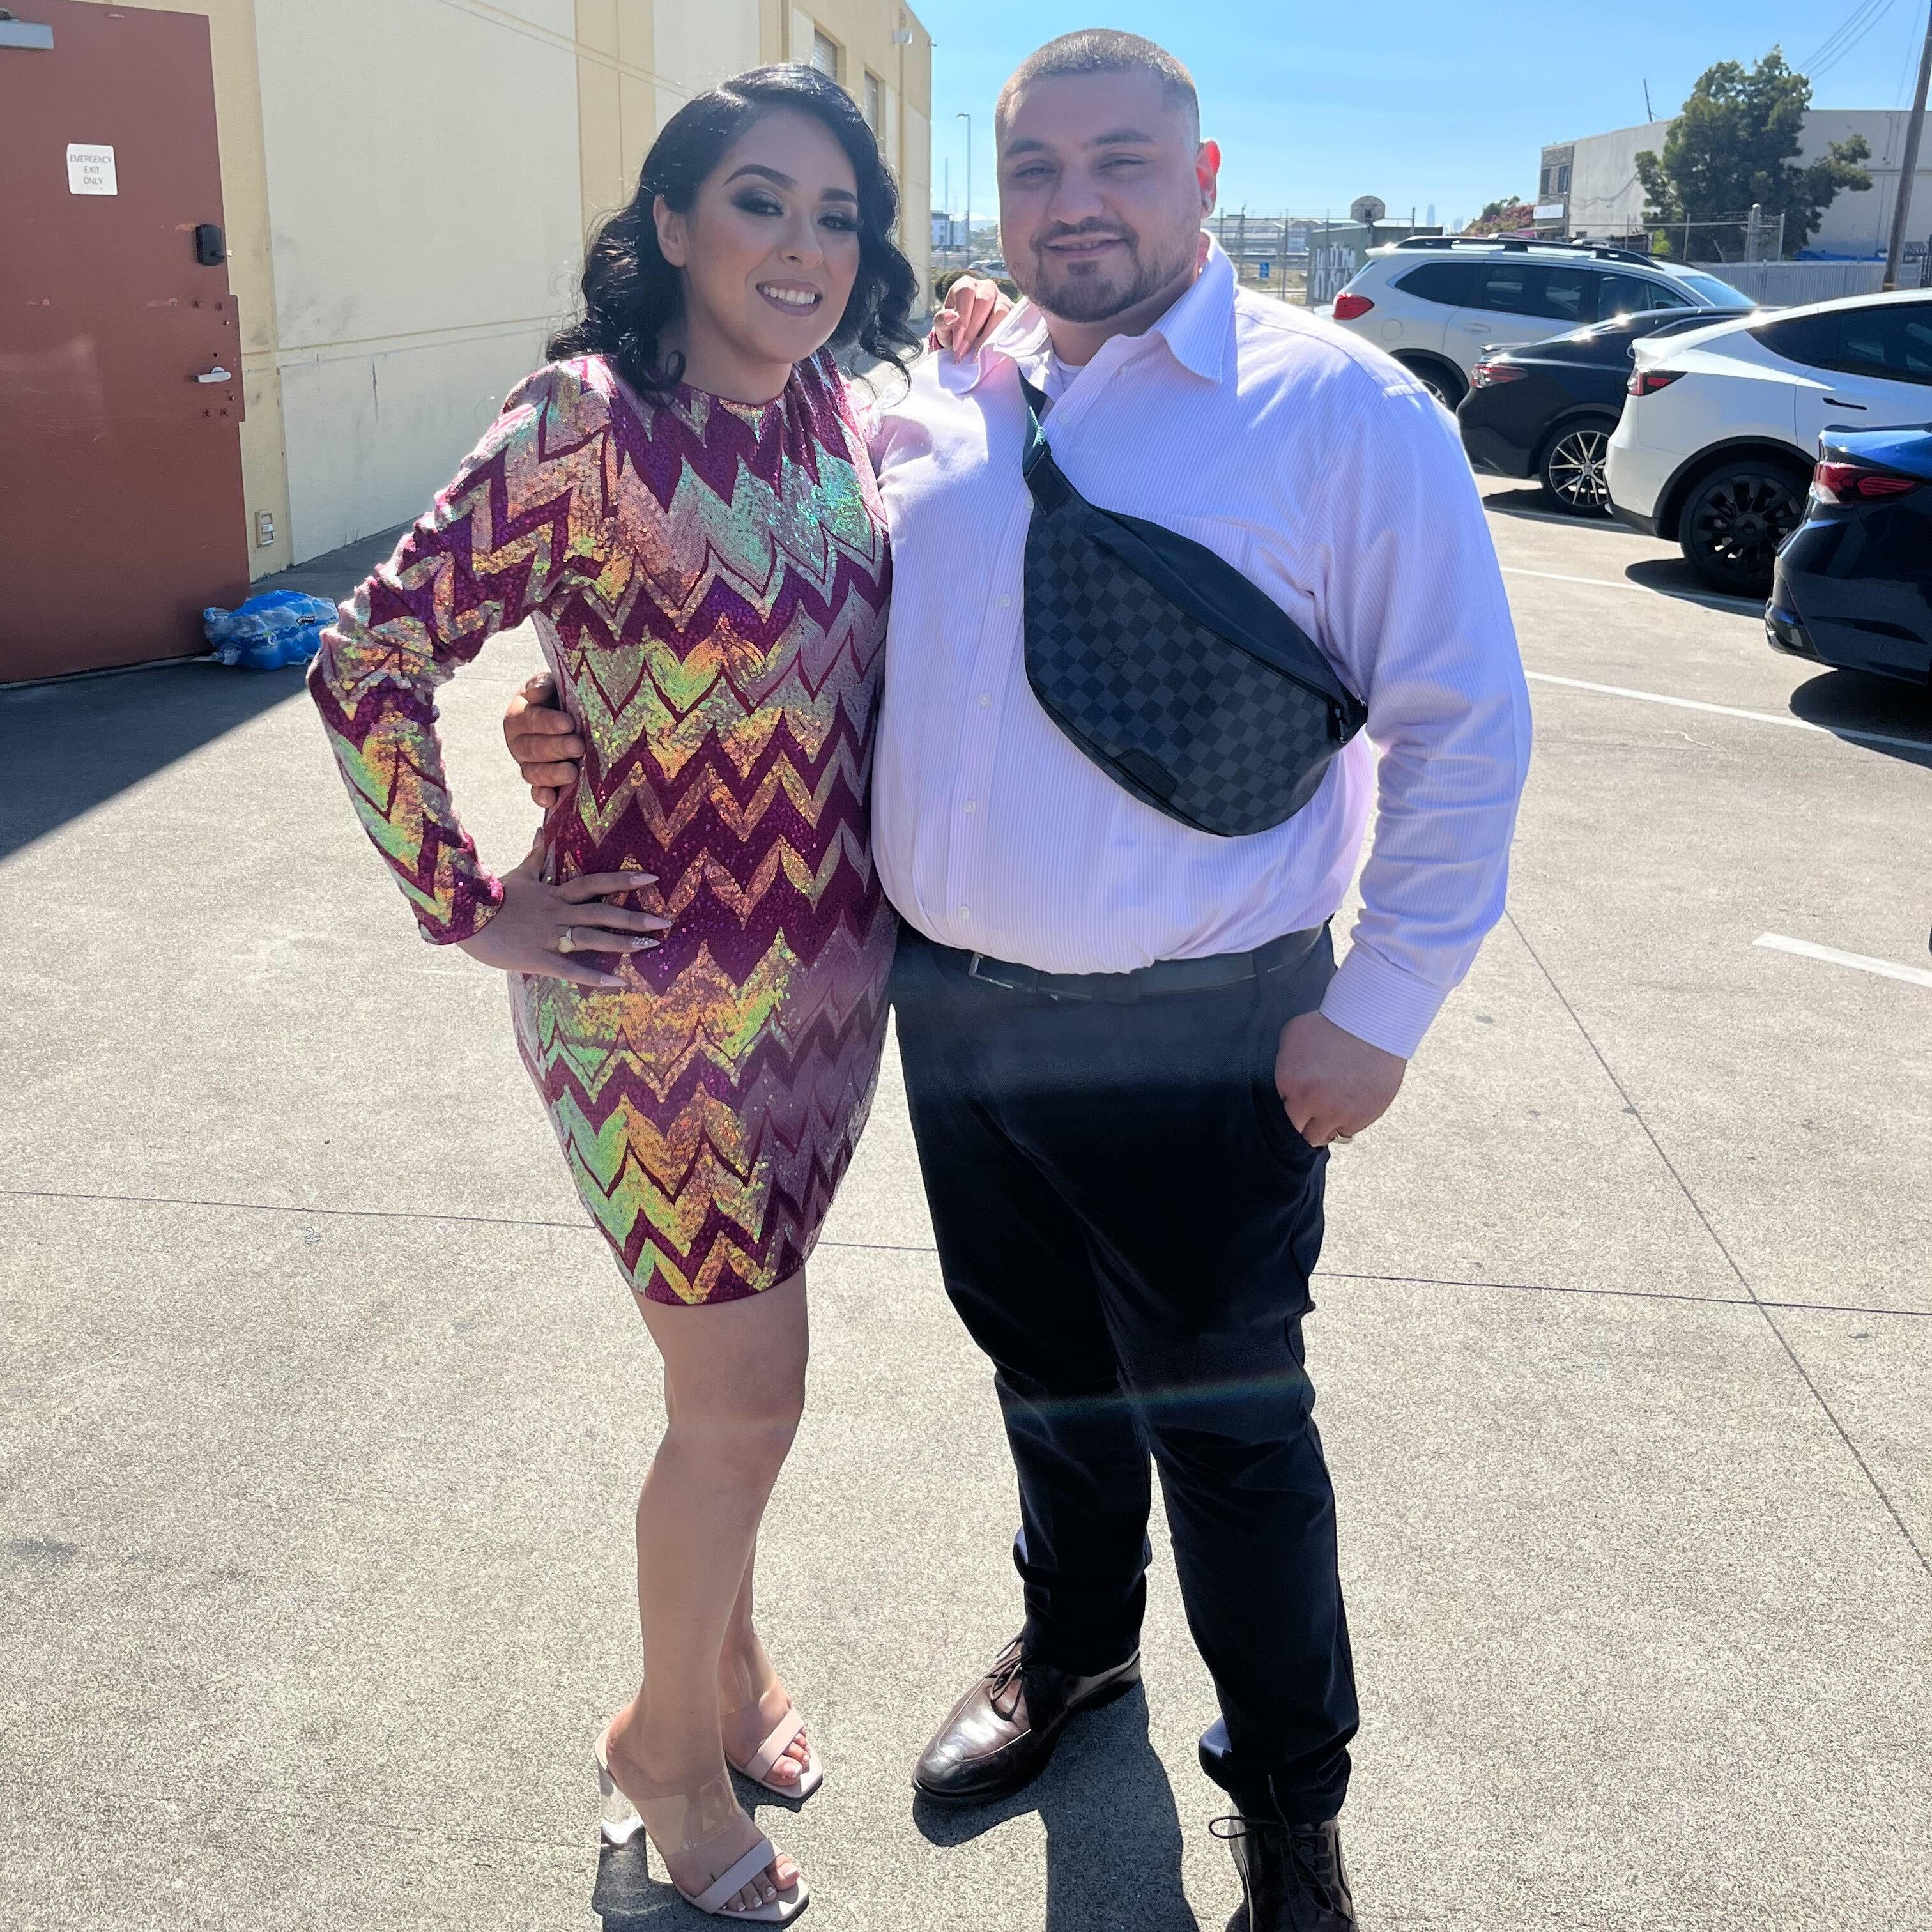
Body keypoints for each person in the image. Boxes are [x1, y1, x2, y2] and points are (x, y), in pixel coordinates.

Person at [507, 31, 1532, 1931]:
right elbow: (777, 640)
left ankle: (1290, 1802)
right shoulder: (935, 404)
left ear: (1205, 174)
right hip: (955, 1014)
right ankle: (1074, 1657)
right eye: (1038, 167)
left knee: (1230, 1432)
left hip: (1207, 1027)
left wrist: (1382, 1006)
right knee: (1047, 1380)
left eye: (1122, 160)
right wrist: (579, 723)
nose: (1079, 200)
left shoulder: (1340, 413)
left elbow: (1466, 726)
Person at [308, 66, 1006, 1922]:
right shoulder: (584, 421)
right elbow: (371, 659)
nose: (803, 245)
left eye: (837, 213)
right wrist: (470, 908)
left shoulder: (850, 424)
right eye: (761, 202)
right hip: (652, 1013)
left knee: (725, 1390)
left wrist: (989, 344)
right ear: (677, 224)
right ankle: (664, 1753)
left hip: (825, 1003)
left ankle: (733, 1670)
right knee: (747, 1401)